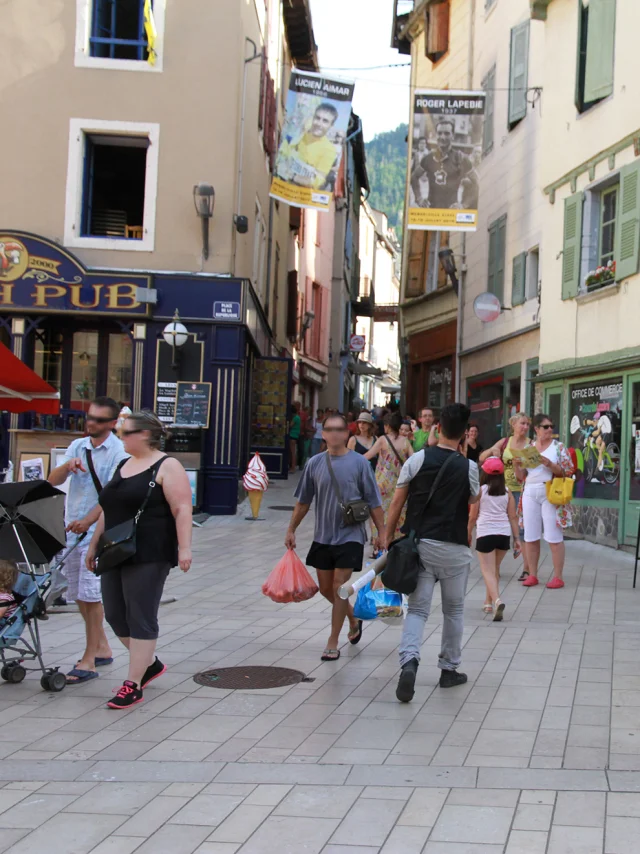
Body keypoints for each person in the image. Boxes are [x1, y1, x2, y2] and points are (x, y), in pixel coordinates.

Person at [86, 411, 193, 709]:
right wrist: (94, 544)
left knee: (140, 616)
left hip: (150, 551)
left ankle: (132, 684)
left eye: (126, 432)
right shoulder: (124, 464)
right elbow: (109, 509)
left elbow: (183, 508)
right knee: (115, 615)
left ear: (145, 434)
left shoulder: (167, 465)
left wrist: (185, 548)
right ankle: (149, 664)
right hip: (116, 550)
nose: (121, 436)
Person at [385, 403, 480, 702]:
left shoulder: (417, 459)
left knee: (418, 609)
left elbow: (397, 501)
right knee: (453, 610)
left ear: (437, 428)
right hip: (454, 549)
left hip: (422, 546)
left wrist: (386, 536)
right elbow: (474, 498)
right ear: (464, 433)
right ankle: (449, 669)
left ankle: (409, 663)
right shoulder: (470, 467)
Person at [285, 414, 385, 662]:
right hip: (323, 536)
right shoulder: (314, 463)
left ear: (346, 434)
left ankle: (332, 641)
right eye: (329, 430)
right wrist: (291, 529)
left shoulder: (359, 464)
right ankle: (352, 617)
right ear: (324, 433)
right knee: (326, 589)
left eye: (339, 430)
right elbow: (303, 502)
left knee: (340, 587)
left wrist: (382, 533)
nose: (334, 434)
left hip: (351, 534)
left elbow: (374, 502)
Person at [48, 397, 128, 685]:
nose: (90, 423)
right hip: (71, 529)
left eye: (97, 419)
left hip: (96, 534)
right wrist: (68, 465)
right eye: (89, 417)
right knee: (80, 597)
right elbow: (52, 481)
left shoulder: (118, 453)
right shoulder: (78, 446)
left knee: (91, 597)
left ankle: (89, 660)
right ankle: (102, 647)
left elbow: (111, 498)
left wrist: (89, 521)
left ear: (111, 423)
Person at [516, 413, 574, 590]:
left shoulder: (558, 447)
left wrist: (548, 463)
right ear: (537, 429)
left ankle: (558, 576)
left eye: (551, 426)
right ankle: (532, 574)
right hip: (530, 491)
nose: (550, 429)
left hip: (550, 491)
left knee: (553, 536)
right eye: (546, 426)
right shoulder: (529, 447)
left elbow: (568, 471)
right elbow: (521, 477)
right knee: (531, 535)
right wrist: (516, 464)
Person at [480, 412, 532, 581]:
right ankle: (495, 568)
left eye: (527, 424)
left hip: (523, 491)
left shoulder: (530, 445)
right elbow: (481, 459)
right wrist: (491, 451)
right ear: (514, 425)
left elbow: (526, 475)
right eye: (522, 423)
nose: (525, 427)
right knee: (498, 528)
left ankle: (526, 569)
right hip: (502, 491)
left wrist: (519, 467)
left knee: (523, 530)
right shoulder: (504, 442)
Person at [468, 458, 521, 621]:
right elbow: (513, 516)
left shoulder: (481, 491)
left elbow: (472, 516)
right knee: (494, 570)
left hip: (485, 534)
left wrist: (468, 533)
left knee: (487, 570)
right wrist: (517, 539)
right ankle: (488, 603)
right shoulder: (507, 491)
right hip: (503, 535)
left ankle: (497, 601)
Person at [364, 412, 413, 551]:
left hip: (381, 484)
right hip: (400, 486)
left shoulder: (382, 440)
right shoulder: (405, 441)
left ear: (387, 426)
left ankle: (378, 545)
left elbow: (367, 456)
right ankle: (395, 543)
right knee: (398, 514)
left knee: (379, 514)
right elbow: (414, 460)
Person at [411, 117, 479, 210]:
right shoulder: (428, 158)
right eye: (439, 133)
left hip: (451, 215)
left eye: (447, 133)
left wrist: (463, 205)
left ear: (453, 136)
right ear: (436, 135)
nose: (443, 137)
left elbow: (477, 183)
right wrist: (419, 199)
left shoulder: (460, 158)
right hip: (431, 214)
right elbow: (414, 177)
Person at [281, 103, 340, 190]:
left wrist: (292, 176)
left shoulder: (329, 150)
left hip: (302, 197)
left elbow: (317, 181)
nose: (319, 124)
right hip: (281, 188)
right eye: (317, 118)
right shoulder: (298, 136)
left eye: (325, 121)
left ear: (331, 125)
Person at [289, 402, 301, 473]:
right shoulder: (298, 417)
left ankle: (293, 467)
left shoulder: (295, 418)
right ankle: (292, 466)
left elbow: (290, 425)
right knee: (292, 452)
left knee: (292, 452)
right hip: (295, 435)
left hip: (293, 435)